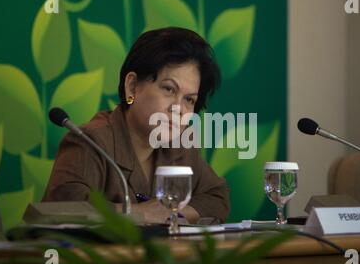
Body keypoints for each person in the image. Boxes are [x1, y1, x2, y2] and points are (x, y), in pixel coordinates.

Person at [42, 27, 230, 224]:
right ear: (132, 86)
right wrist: (136, 213)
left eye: (189, 100)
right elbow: (63, 207)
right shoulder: (91, 141)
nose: (179, 109)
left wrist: (168, 214)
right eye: (169, 89)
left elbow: (217, 198)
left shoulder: (180, 146)